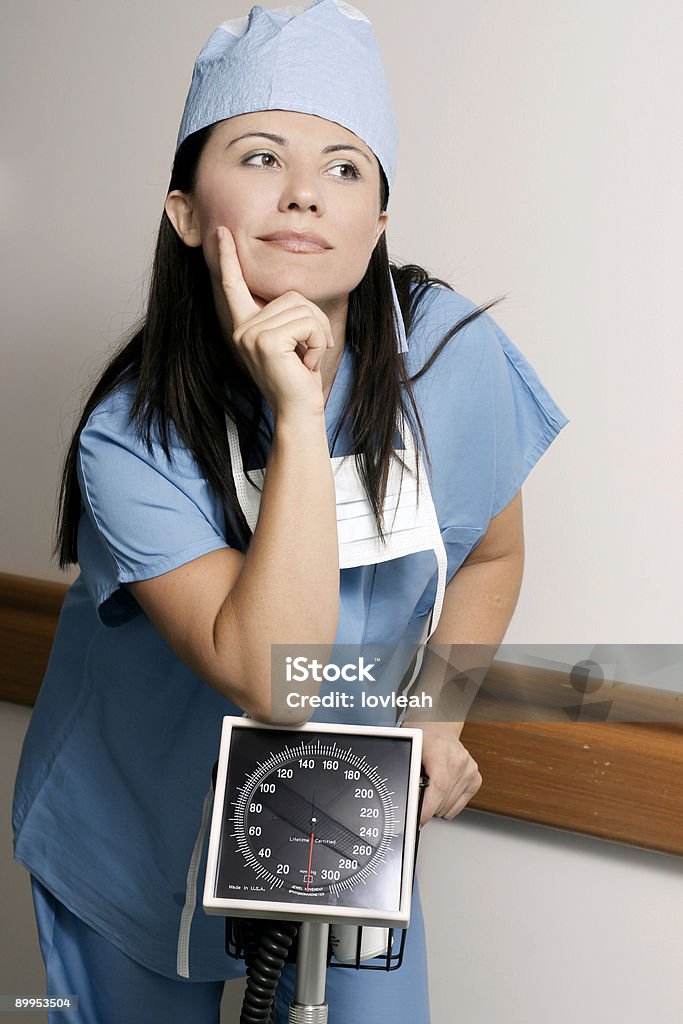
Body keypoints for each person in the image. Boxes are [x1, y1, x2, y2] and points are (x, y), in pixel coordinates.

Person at [12, 2, 569, 1021]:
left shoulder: (448, 356)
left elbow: (488, 557)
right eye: (261, 155)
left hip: (332, 822)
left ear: (378, 223)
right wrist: (298, 407)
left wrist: (433, 715)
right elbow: (280, 674)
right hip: (130, 832)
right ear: (185, 210)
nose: (306, 192)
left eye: (345, 168)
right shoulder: (129, 435)